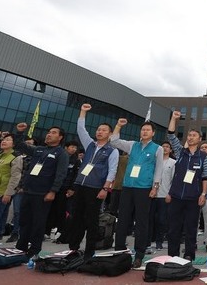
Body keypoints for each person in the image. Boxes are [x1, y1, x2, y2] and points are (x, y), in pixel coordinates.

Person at [67, 103, 119, 259]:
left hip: (95, 188)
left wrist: (105, 188)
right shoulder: (90, 145)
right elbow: (81, 130)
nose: (100, 132)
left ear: (109, 134)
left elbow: (112, 170)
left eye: (104, 130)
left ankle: (90, 250)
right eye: (98, 129)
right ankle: (74, 248)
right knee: (76, 218)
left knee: (91, 220)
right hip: (80, 186)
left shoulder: (112, 150)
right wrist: (83, 112)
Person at [110, 119, 164, 268]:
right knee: (122, 220)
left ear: (153, 133)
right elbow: (113, 141)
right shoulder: (132, 145)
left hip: (144, 188)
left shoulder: (157, 149)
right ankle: (119, 252)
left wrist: (155, 187)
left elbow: (159, 169)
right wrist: (118, 126)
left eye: (148, 130)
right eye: (143, 130)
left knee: (141, 222)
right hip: (127, 187)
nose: (144, 132)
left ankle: (139, 254)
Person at [13, 123, 69, 258]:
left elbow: (61, 174)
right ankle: (21, 247)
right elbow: (21, 146)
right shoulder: (39, 149)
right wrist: (20, 133)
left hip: (43, 194)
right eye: (49, 132)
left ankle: (34, 251)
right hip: (28, 191)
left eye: (54, 132)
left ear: (60, 137)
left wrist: (53, 191)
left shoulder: (61, 153)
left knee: (38, 223)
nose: (49, 134)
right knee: (24, 221)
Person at [165, 111, 207, 261]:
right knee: (173, 229)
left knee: (191, 229)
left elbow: (205, 177)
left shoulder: (204, 157)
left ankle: (189, 254)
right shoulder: (179, 152)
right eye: (189, 135)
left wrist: (203, 195)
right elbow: (171, 134)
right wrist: (174, 118)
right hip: (176, 196)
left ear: (199, 139)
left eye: (194, 136)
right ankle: (172, 255)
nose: (190, 138)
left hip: (193, 199)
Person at [45, 140, 80, 243]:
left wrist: (72, 188)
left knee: (61, 210)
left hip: (65, 188)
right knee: (50, 209)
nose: (73, 149)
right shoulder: (59, 156)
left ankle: (60, 230)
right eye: (72, 147)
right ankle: (47, 230)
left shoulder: (76, 161)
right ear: (66, 147)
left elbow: (75, 176)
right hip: (53, 187)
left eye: (75, 147)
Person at [0, 132, 23, 240]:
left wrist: (8, 193)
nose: (4, 141)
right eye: (3, 139)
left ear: (13, 144)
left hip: (2, 192)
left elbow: (15, 177)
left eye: (8, 140)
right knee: (0, 217)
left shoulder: (16, 157)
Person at [150, 141, 175, 251]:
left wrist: (170, 193)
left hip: (164, 194)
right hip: (151, 194)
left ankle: (159, 241)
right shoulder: (154, 161)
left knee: (161, 219)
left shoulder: (173, 162)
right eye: (163, 146)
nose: (164, 148)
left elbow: (174, 180)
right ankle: (148, 240)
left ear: (170, 150)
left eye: (167, 147)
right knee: (150, 219)